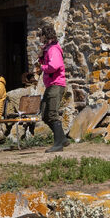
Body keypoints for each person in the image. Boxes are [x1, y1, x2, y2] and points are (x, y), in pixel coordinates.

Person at [34, 23, 72, 151]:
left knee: (51, 113)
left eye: (41, 36)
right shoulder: (48, 49)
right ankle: (63, 139)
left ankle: (58, 145)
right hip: (50, 85)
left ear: (45, 36)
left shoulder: (53, 49)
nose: (40, 39)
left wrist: (42, 67)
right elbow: (46, 63)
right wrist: (40, 57)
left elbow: (54, 66)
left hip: (56, 85)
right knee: (45, 114)